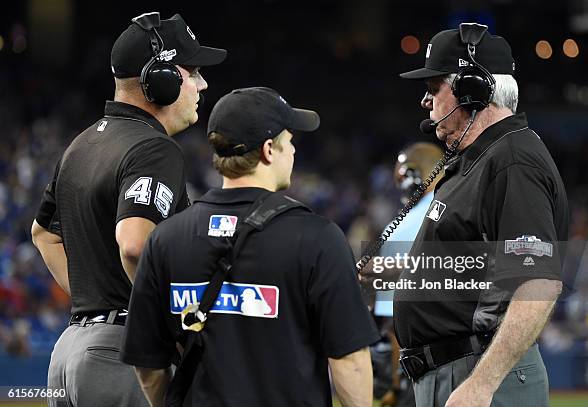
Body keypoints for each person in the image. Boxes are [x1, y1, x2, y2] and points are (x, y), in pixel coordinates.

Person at [120, 87, 380, 407]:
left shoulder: (166, 238)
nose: (294, 152)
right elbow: (350, 359)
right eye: (290, 141)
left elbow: (147, 363)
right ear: (269, 150)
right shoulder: (317, 237)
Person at [30, 12, 226, 407]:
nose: (203, 85)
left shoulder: (82, 143)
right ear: (162, 80)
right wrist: (178, 326)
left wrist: (96, 300)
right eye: (193, 72)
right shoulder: (154, 148)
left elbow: (43, 233)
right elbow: (135, 245)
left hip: (70, 350)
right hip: (120, 356)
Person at [392, 23, 569, 407]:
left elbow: (537, 283)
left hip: (480, 373)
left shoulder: (512, 160)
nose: (426, 101)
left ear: (471, 90)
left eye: (433, 87)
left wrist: (483, 383)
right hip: (455, 371)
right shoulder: (482, 159)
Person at [372, 143, 443, 407]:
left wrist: (393, 383)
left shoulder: (402, 227)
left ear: (412, 176)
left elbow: (393, 321)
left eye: (400, 179)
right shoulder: (468, 212)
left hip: (422, 372)